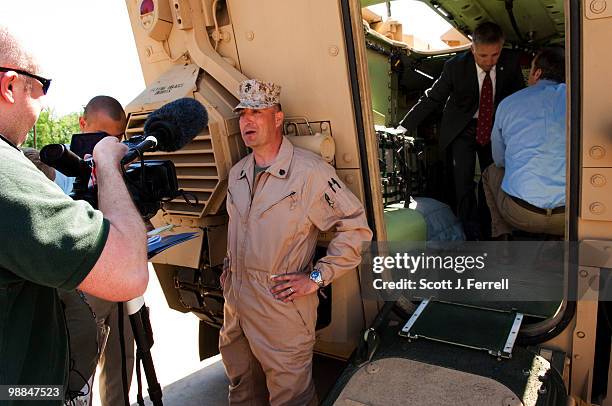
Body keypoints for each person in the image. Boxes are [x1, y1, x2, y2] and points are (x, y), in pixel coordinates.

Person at [0, 25, 148, 405]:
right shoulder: (14, 173)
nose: (42, 104)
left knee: (118, 365)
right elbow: (128, 271)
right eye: (40, 87)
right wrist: (108, 167)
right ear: (11, 85)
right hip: (25, 385)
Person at [219, 79, 372, 405]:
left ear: (277, 118)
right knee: (242, 390)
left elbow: (356, 230)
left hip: (281, 312)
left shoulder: (310, 173)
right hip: (236, 308)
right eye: (243, 114)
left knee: (291, 399)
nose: (247, 120)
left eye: (257, 112)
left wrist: (316, 277)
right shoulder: (238, 173)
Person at [399, 21, 525, 240]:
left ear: (501, 48)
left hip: (494, 129)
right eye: (482, 56)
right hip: (462, 129)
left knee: (492, 179)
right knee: (462, 182)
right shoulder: (455, 66)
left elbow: (518, 100)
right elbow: (433, 97)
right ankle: (469, 231)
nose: (488, 62)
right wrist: (403, 126)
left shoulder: (511, 63)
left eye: (494, 55)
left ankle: (490, 229)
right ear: (472, 49)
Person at [69, 95, 135, 406]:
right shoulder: (61, 169)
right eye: (102, 137)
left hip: (121, 285)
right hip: (82, 289)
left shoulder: (121, 168)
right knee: (79, 380)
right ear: (83, 126)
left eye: (116, 138)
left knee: (122, 369)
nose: (110, 145)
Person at [482, 47, 566, 238]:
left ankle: (502, 237)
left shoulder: (508, 104)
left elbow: (500, 160)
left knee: (490, 173)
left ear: (537, 73)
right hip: (570, 217)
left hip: (521, 214)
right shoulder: (581, 101)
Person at [54, 95, 127, 194]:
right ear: (83, 123)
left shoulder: (126, 159)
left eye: (118, 137)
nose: (111, 144)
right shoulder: (59, 162)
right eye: (103, 136)